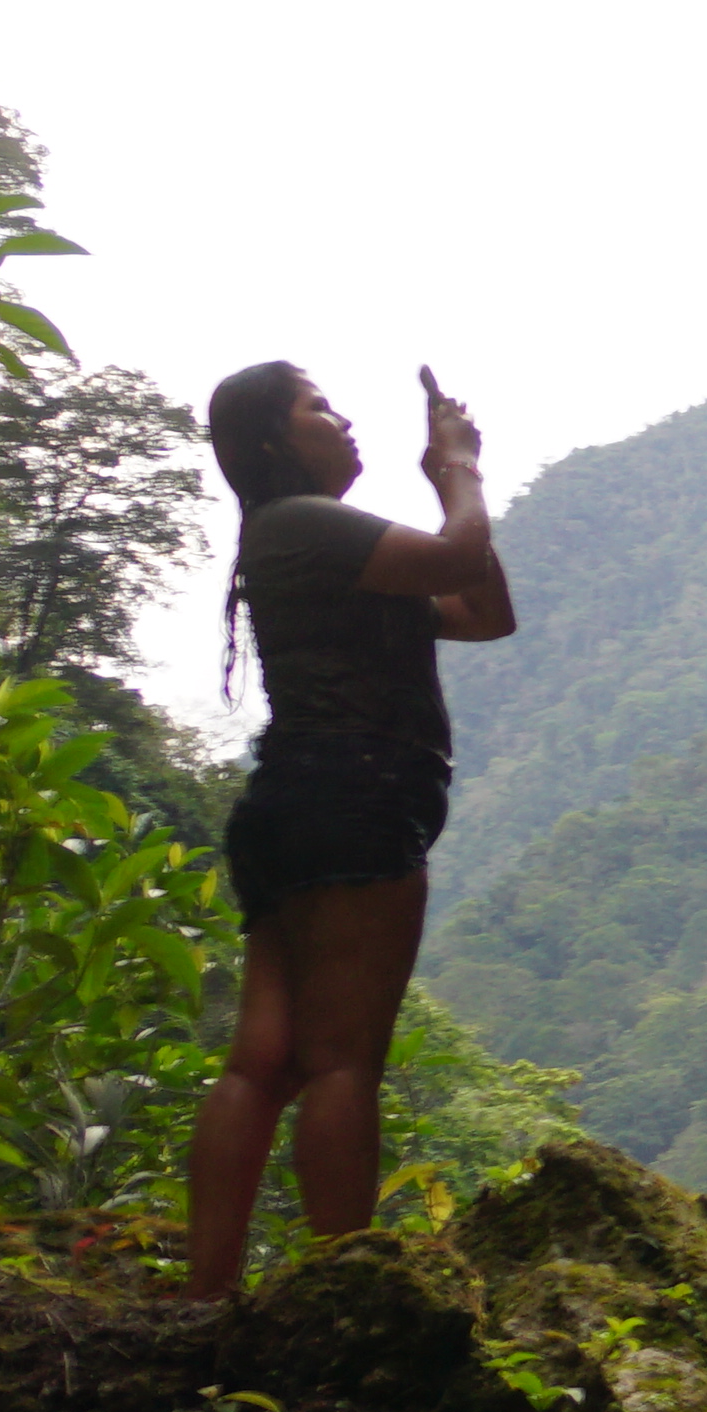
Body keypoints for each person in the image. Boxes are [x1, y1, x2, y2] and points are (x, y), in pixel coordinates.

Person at [181, 360, 512, 1297]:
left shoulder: (309, 542)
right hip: (357, 801)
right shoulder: (304, 524)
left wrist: (446, 485)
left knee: (264, 1060)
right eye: (318, 407)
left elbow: (485, 613)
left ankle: (207, 1293)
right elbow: (458, 559)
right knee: (342, 1063)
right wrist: (460, 471)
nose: (343, 419)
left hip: (296, 806)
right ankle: (343, 1289)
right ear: (276, 442)